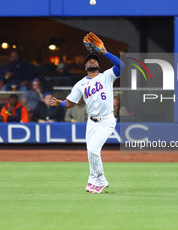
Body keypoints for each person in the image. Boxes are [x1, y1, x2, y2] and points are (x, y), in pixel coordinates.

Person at [51, 33, 125, 194]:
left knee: (93, 150)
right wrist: (61, 103)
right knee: (90, 152)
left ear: (99, 65)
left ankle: (102, 180)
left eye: (95, 60)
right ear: (85, 67)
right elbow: (71, 103)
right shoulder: (80, 84)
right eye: (89, 61)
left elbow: (122, 65)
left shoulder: (107, 76)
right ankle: (92, 180)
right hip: (91, 122)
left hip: (106, 120)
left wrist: (104, 52)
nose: (92, 61)